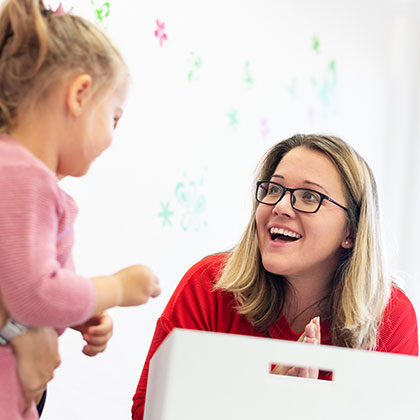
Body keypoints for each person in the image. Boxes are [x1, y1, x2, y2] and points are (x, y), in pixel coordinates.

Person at [131, 134, 418, 419]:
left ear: (351, 232)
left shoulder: (391, 316)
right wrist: (265, 404)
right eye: (273, 190)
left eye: (309, 196)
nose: (280, 206)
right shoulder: (209, 284)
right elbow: (148, 412)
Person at [0, 1, 161, 419]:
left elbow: (20, 283)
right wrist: (117, 288)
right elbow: (35, 293)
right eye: (114, 116)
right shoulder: (22, 175)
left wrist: (79, 311)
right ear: (80, 94)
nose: (112, 136)